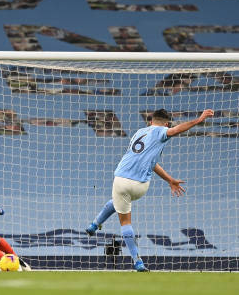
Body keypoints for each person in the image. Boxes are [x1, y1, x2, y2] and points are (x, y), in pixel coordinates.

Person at [85, 108, 214, 272]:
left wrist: (170, 179)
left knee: (124, 218)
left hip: (120, 178)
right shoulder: (162, 132)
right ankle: (95, 225)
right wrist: (197, 120)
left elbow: (151, 161)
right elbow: (173, 133)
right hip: (140, 185)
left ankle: (136, 260)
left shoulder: (139, 132)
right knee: (119, 202)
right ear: (166, 123)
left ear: (151, 121)